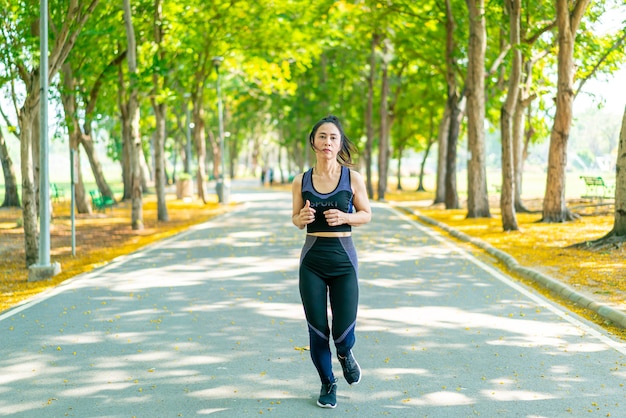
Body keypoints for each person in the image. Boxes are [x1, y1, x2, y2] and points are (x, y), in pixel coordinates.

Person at [291, 115, 372, 408]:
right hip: (312, 261)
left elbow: (366, 214)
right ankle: (328, 383)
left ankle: (345, 354)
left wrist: (346, 217)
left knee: (342, 331)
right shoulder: (301, 180)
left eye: (333, 138)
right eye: (322, 136)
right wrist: (301, 218)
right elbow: (296, 219)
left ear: (339, 144)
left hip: (343, 262)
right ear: (314, 141)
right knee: (316, 330)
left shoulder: (353, 178)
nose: (327, 142)